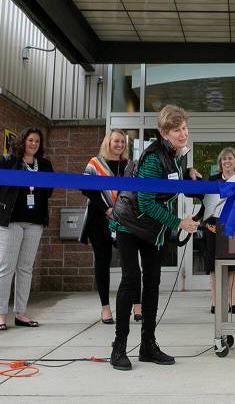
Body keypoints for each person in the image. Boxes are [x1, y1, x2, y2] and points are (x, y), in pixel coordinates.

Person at [108, 105, 199, 371]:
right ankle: (119, 348)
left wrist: (190, 172)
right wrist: (178, 222)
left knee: (153, 284)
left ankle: (148, 345)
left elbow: (174, 181)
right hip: (130, 225)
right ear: (163, 133)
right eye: (177, 130)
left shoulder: (176, 154)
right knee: (131, 282)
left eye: (184, 128)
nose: (183, 133)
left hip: (152, 230)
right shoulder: (152, 158)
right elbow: (147, 203)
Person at [0, 127, 53, 331]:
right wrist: (1, 203)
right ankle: (0, 315)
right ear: (22, 141)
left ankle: (21, 313)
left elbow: (48, 191)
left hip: (34, 222)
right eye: (30, 140)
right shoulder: (6, 161)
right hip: (9, 221)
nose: (33, 144)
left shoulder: (45, 165)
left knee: (25, 268)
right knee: (6, 266)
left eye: (37, 142)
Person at [79, 129, 141, 325]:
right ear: (108, 142)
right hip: (99, 219)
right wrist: (106, 209)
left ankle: (136, 305)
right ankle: (105, 308)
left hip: (125, 219)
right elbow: (87, 188)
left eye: (122, 142)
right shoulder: (95, 163)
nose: (119, 145)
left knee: (131, 263)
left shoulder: (130, 165)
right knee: (102, 262)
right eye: (116, 141)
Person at [200, 147, 235, 315]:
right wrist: (207, 224)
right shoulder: (213, 180)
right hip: (213, 227)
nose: (227, 161)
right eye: (224, 159)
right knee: (214, 266)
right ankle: (216, 303)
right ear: (220, 163)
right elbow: (206, 205)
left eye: (230, 158)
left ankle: (232, 302)